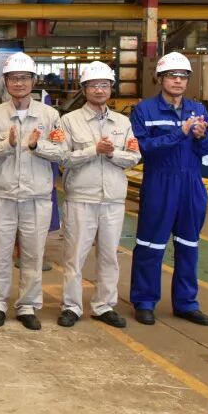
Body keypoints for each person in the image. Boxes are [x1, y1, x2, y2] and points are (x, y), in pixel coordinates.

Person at [130, 52, 208, 326]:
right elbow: (143, 148)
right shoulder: (144, 111)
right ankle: (144, 302)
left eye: (183, 76)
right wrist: (179, 133)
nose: (178, 81)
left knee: (189, 245)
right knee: (150, 245)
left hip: (191, 184)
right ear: (160, 79)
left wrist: (202, 137)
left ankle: (186, 304)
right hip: (159, 183)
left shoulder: (199, 110)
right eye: (172, 75)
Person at [0, 52, 66, 330]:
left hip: (37, 196)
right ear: (4, 82)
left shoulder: (50, 116)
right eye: (13, 78)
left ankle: (27, 305)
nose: (19, 83)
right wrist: (6, 144)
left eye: (24, 77)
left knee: (33, 254)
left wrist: (37, 146)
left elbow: (62, 152)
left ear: (34, 80)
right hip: (2, 196)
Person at [57, 61, 140, 329]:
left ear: (111, 88)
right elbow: (63, 158)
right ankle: (71, 306)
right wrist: (93, 150)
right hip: (81, 198)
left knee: (109, 256)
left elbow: (134, 156)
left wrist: (112, 153)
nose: (99, 90)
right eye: (93, 85)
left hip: (113, 200)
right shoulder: (69, 121)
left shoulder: (122, 122)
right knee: (74, 256)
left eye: (104, 85)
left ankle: (104, 305)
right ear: (84, 89)